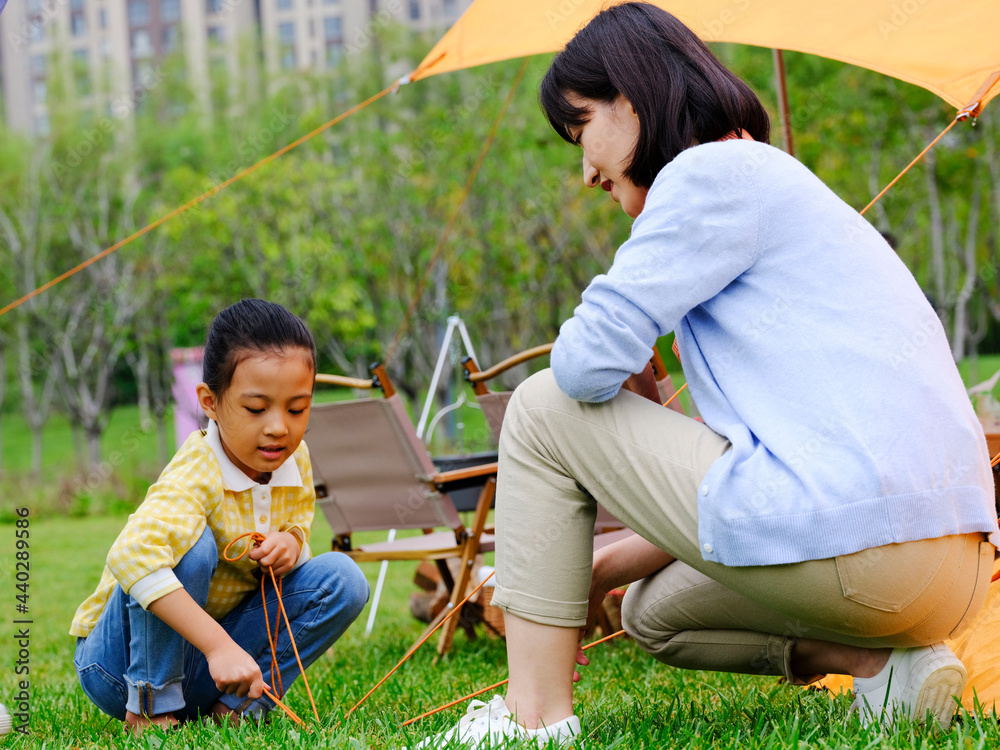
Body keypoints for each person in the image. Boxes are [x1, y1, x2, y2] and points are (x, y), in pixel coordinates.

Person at [413, 3, 999, 746]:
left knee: (540, 408)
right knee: (652, 612)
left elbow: (584, 365)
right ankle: (887, 669)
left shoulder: (709, 173)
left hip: (872, 551)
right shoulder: (772, 181)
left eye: (581, 129)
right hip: (950, 572)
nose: (586, 170)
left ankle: (532, 721)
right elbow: (755, 480)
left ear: (630, 99)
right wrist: (594, 571)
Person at [71, 298, 369, 733]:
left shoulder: (294, 458)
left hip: (208, 664)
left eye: (296, 408)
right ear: (210, 402)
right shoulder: (199, 468)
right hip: (120, 666)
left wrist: (291, 544)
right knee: (192, 548)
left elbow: (297, 522)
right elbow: (133, 555)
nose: (278, 427)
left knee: (344, 577)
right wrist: (218, 646)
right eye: (255, 408)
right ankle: (150, 708)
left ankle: (234, 707)